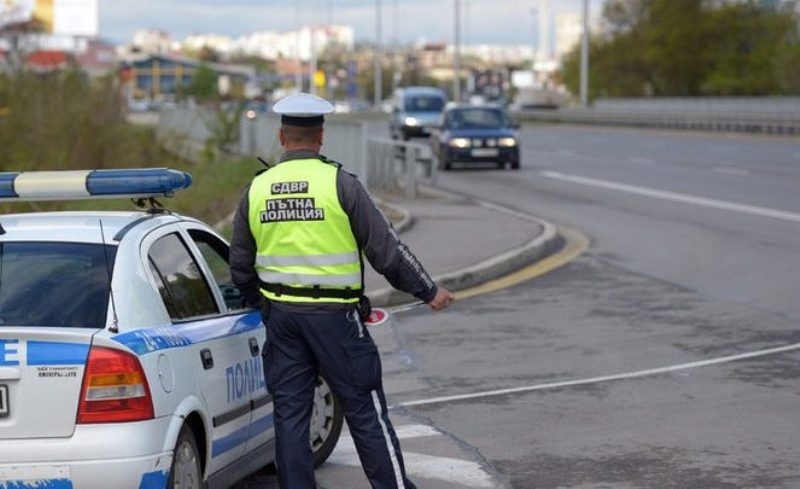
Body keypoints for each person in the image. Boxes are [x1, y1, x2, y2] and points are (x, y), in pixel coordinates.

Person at [229, 92, 455, 488]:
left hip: (283, 320)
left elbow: (240, 266)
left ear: (282, 138)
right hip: (336, 319)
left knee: (291, 416)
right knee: (364, 410)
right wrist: (428, 290)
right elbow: (387, 252)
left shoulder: (257, 189)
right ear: (321, 137)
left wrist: (263, 305)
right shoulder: (340, 184)